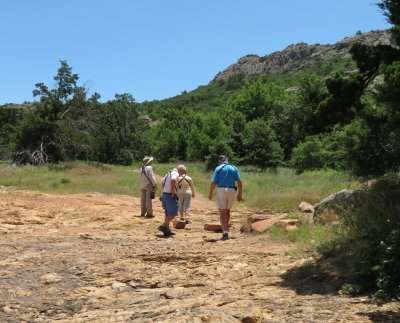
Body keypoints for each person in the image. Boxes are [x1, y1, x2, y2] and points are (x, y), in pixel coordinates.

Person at [208, 155, 243, 240]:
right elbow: (239, 181)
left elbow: (214, 182)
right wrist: (240, 193)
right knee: (227, 211)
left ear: (220, 161)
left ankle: (225, 232)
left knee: (222, 212)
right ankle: (226, 229)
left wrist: (210, 192)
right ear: (227, 160)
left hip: (221, 189)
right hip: (232, 190)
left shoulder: (218, 168)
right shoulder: (234, 168)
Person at [158, 167, 179, 236]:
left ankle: (166, 230)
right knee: (173, 213)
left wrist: (165, 190)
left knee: (168, 214)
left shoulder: (168, 174)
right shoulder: (176, 173)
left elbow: (162, 182)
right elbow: (173, 180)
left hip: (165, 195)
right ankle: (164, 226)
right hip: (170, 195)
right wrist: (172, 190)